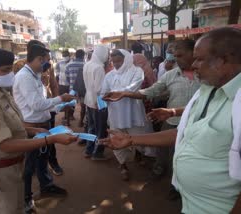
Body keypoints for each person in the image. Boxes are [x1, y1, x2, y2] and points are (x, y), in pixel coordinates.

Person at [101, 27, 241, 214]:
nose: (194, 64)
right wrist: (132, 140)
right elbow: (183, 132)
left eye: (199, 58)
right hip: (192, 204)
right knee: (164, 157)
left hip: (219, 207)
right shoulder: (208, 89)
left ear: (223, 61)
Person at [0, 48, 77, 214]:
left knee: (16, 207)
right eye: (5, 70)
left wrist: (32, 129)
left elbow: (9, 124)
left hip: (11, 166)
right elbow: (6, 145)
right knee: (7, 209)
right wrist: (51, 140)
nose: (10, 74)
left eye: (10, 69)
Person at [104, 39, 200, 200]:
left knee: (188, 158)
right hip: (172, 122)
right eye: (175, 55)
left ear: (194, 54)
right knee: (166, 155)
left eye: (180, 55)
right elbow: (151, 91)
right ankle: (166, 178)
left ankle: (182, 186)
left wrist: (125, 93)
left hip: (198, 125)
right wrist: (124, 94)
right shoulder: (170, 75)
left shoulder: (206, 75)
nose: (176, 59)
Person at [13, 44, 75, 213]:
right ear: (39, 59)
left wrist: (60, 105)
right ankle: (26, 198)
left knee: (42, 158)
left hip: (42, 123)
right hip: (32, 126)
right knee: (29, 164)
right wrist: (61, 98)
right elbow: (37, 104)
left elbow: (42, 101)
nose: (48, 65)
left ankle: (46, 186)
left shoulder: (35, 75)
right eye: (46, 61)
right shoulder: (25, 77)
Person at [101, 49, 147, 180]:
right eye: (113, 61)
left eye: (118, 61)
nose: (115, 64)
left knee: (138, 135)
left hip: (133, 112)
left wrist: (115, 93)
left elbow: (133, 87)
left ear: (126, 59)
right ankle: (123, 165)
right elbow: (103, 92)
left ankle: (139, 154)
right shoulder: (110, 75)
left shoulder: (137, 71)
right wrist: (104, 97)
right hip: (115, 113)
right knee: (116, 137)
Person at [83, 45, 109, 160]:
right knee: (100, 128)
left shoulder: (87, 64)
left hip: (88, 100)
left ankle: (89, 149)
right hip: (98, 102)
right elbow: (99, 89)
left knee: (91, 127)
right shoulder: (99, 67)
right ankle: (97, 153)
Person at [66, 49, 86, 127]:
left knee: (69, 105)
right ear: (83, 56)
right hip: (82, 89)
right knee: (83, 106)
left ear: (75, 55)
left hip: (72, 88)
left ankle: (68, 121)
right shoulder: (86, 65)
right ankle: (81, 122)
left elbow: (67, 77)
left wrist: (72, 83)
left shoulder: (69, 65)